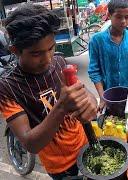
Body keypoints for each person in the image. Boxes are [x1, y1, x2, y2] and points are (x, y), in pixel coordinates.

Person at [0, 3, 97, 179]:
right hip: (60, 166)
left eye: (51, 48)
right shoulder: (8, 88)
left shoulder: (59, 62)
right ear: (15, 51)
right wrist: (60, 108)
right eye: (36, 54)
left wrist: (90, 99)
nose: (47, 59)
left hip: (85, 145)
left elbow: (81, 91)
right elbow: (31, 143)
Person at [88, 0, 128, 112]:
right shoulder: (97, 40)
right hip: (109, 97)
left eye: (127, 17)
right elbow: (94, 71)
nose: (123, 21)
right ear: (109, 15)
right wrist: (102, 97)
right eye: (118, 17)